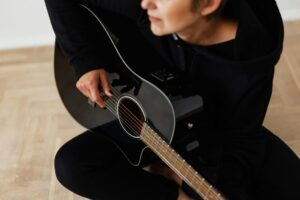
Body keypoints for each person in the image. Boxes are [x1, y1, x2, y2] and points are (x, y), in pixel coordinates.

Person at [44, 0, 300, 199]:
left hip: (208, 127)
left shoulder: (249, 60)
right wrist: (85, 60)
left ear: (208, 4)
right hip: (147, 104)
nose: (145, 4)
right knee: (74, 165)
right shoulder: (154, 8)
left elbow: (241, 138)